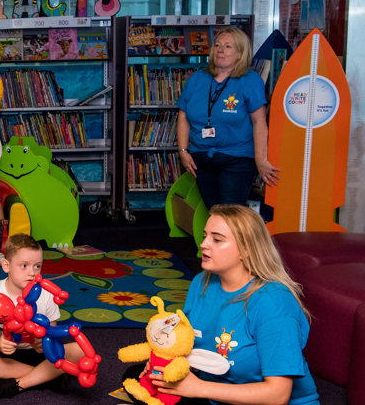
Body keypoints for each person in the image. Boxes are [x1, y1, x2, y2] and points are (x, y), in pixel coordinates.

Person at [125, 204, 319, 404]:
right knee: (137, 377)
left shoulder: (273, 302)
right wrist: (161, 362)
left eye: (217, 239)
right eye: (205, 235)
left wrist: (199, 388)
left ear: (246, 249)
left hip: (267, 400)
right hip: (216, 393)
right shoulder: (202, 282)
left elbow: (278, 395)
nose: (204, 244)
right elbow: (183, 340)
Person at [176, 27, 279, 208]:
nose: (220, 50)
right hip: (201, 158)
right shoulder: (197, 78)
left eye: (228, 46)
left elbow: (259, 122)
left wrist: (261, 160)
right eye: (217, 45)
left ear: (240, 54)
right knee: (214, 212)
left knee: (229, 215)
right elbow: (183, 116)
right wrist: (183, 152)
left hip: (237, 159)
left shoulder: (250, 80)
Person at [0, 233, 84, 400]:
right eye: (24, 266)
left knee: (79, 350)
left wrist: (45, 343)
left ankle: (19, 384)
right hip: (8, 356)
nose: (32, 273)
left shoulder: (45, 293)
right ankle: (48, 377)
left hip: (40, 354)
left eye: (37, 266)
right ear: (6, 266)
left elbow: (53, 336)